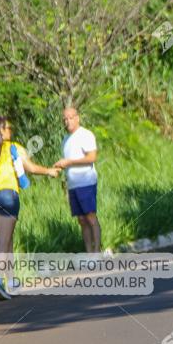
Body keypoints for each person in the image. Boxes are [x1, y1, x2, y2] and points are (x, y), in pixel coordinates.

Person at [0, 115, 59, 300]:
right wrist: (49, 171)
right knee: (2, 239)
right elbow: (30, 167)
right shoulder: (12, 147)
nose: (10, 131)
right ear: (0, 130)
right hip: (7, 195)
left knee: (6, 239)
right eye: (8, 128)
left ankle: (12, 281)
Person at [54, 107, 101, 253]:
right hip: (73, 185)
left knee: (90, 217)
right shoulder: (65, 140)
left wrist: (69, 162)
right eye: (65, 119)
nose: (68, 121)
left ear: (77, 118)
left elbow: (91, 158)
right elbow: (68, 162)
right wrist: (60, 167)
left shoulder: (85, 135)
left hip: (86, 182)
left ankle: (97, 251)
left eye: (70, 117)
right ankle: (88, 252)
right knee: (81, 220)